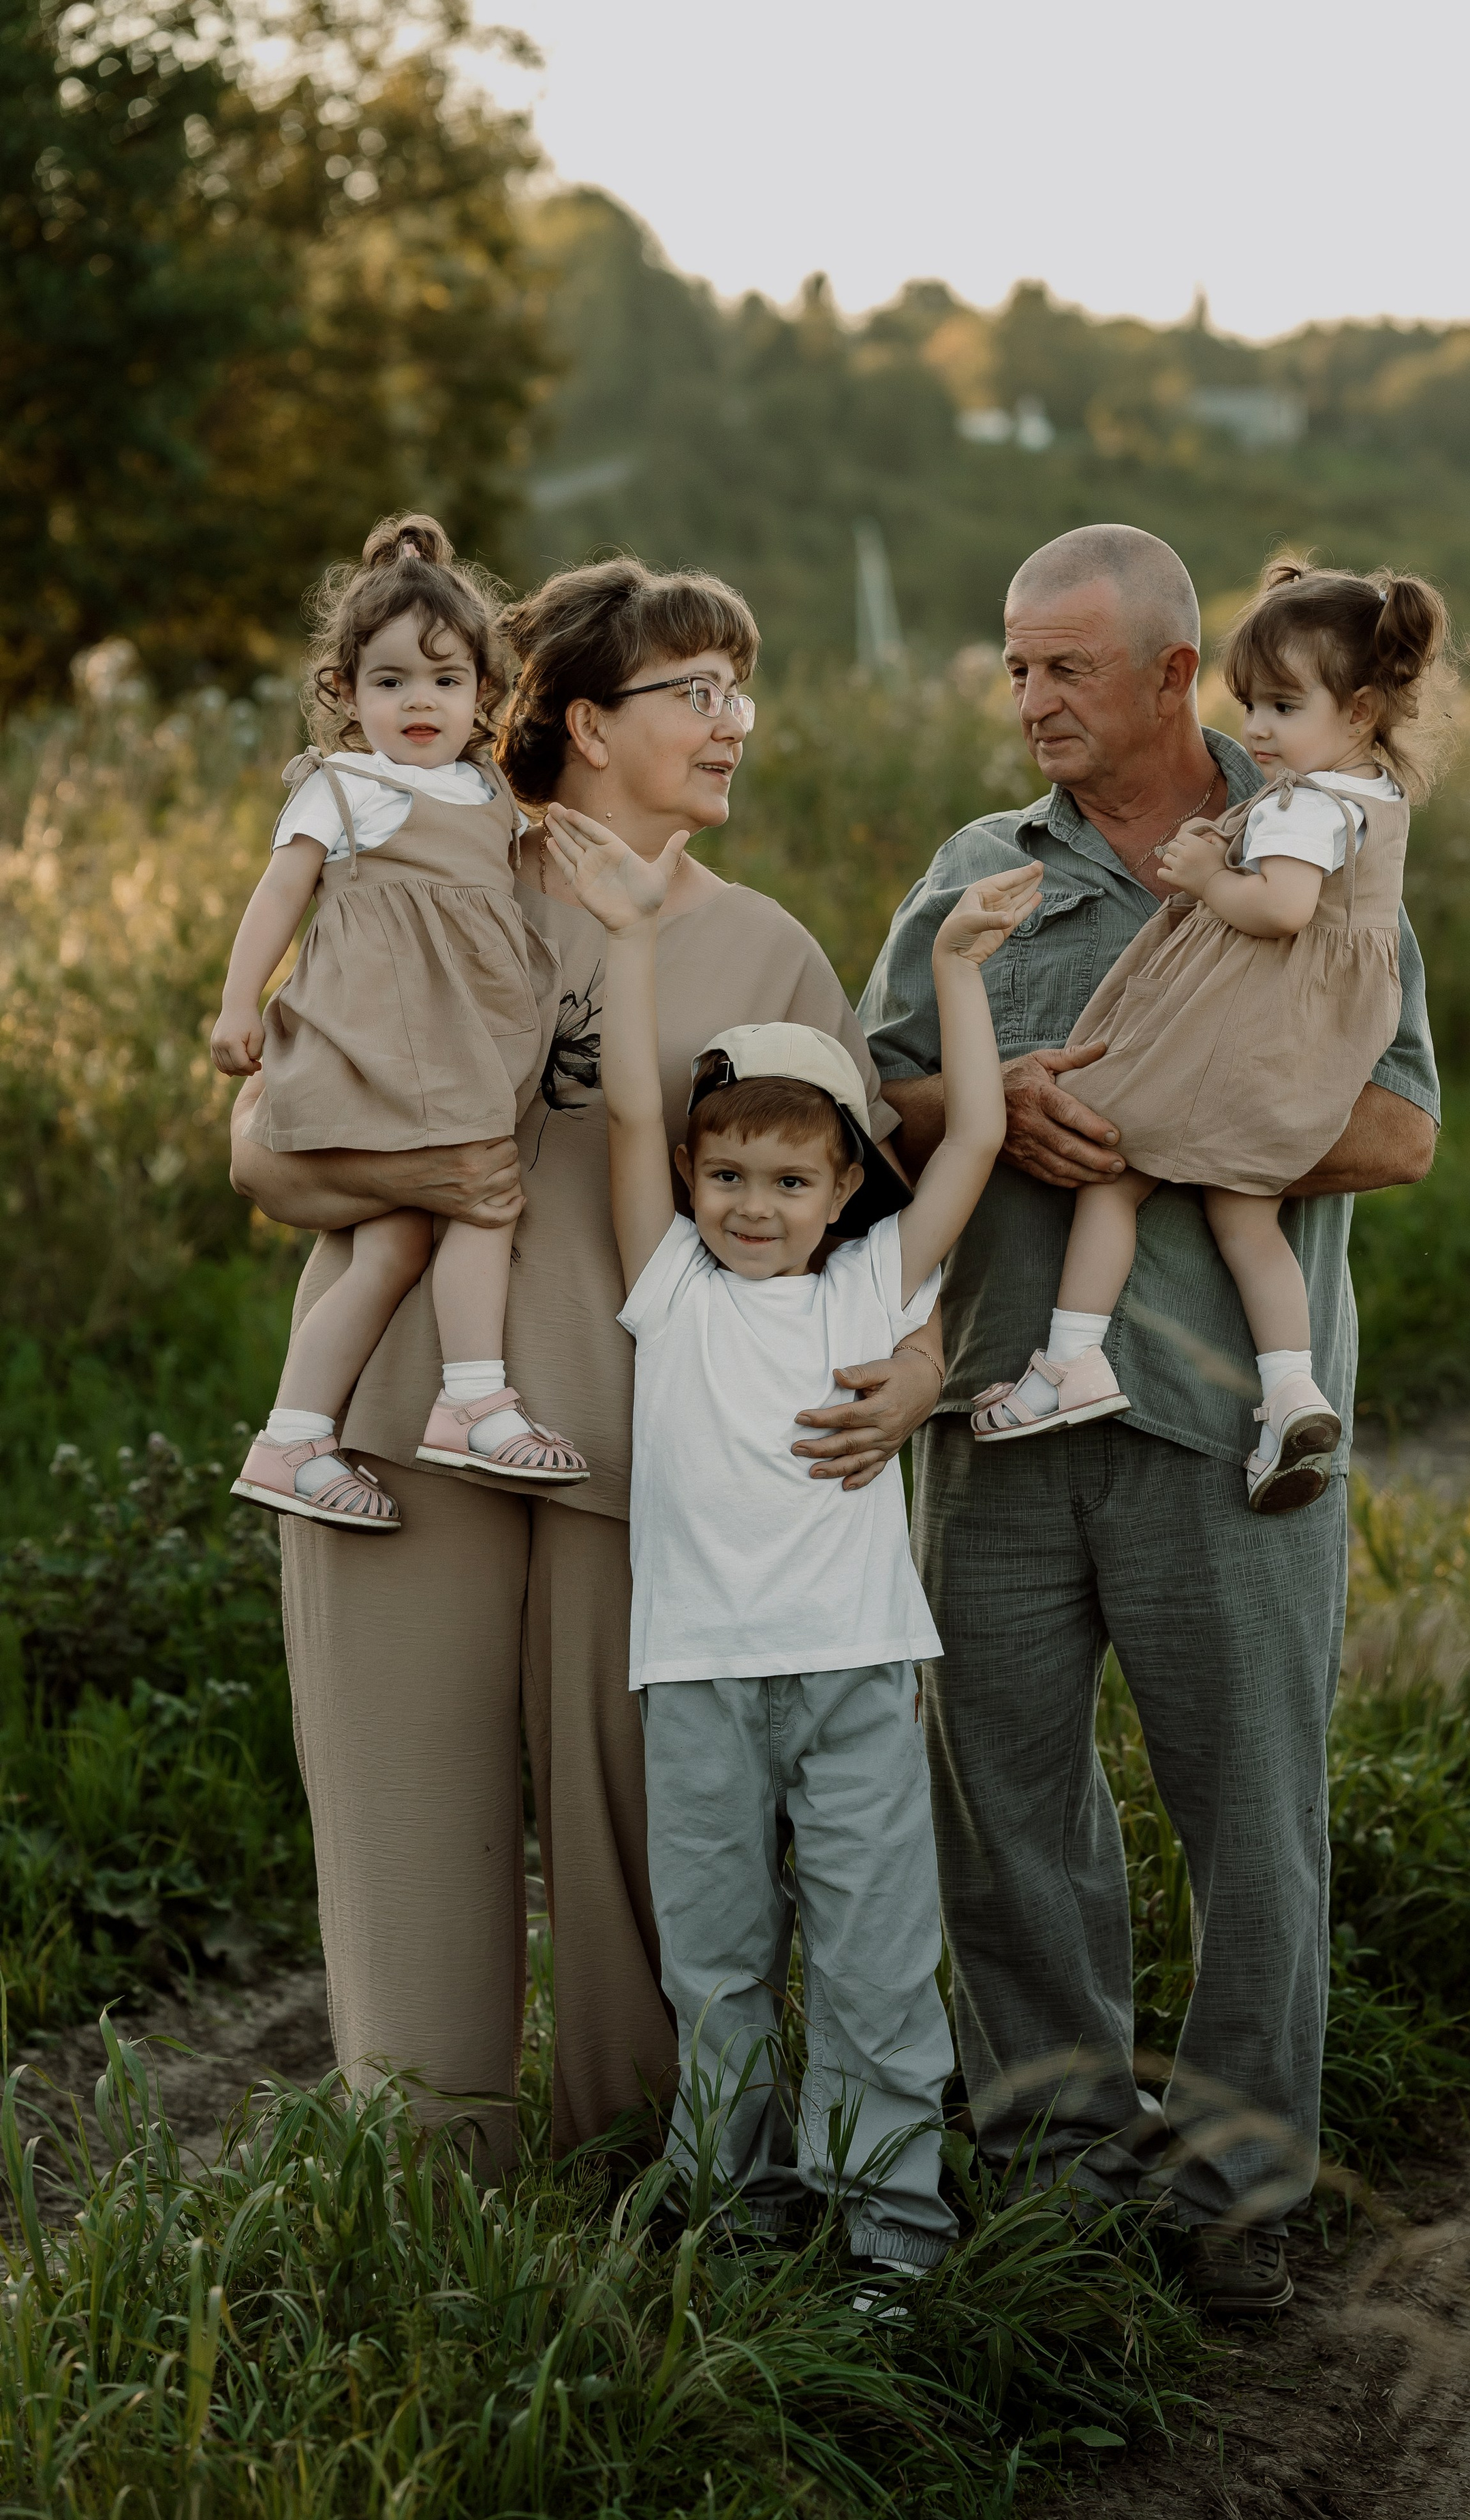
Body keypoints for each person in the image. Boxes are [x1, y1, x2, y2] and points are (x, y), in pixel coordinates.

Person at [230, 554, 944, 2177]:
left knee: (655, 1875)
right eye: (692, 692)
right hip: (395, 1432)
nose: (731, 722)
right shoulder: (418, 856)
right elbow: (266, 1157)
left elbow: (863, 1228)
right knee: (409, 1855)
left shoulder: (765, 949)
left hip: (655, 1463)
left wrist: (921, 1365)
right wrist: (435, 1180)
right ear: (573, 720)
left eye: (735, 689)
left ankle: (653, 2210)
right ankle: (433, 2223)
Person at [857, 525, 1439, 2317]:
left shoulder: (1311, 840)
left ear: (1179, 677)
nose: (1027, 699)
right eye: (1014, 666)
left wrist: (1180, 1119)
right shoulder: (979, 868)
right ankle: (1057, 2174)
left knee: (1252, 1819)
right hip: (993, 1422)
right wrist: (991, 1104)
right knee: (1006, 1817)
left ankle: (1239, 2193)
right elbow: (882, 1096)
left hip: (1222, 1444)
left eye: (1063, 669)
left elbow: (1399, 1128)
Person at [549, 783, 1037, 2284]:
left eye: (785, 1179)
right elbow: (633, 1108)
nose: (749, 1203)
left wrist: (955, 972)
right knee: (717, 1972)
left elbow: (974, 1145)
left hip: (852, 1681)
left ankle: (888, 2237)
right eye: (725, 1176)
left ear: (839, 1193)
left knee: (878, 1964)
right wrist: (628, 937)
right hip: (696, 1682)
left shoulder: (871, 1288)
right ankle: (733, 2222)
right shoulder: (672, 1287)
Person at [969, 557, 1452, 1518]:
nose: (1259, 731)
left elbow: (1276, 912)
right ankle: (1290, 1392)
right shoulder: (1372, 797)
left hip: (1252, 1028)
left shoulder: (1307, 806)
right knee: (1246, 1215)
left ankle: (1071, 1360)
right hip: (1308, 1040)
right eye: (1252, 705)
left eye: (1281, 707)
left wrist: (1201, 875)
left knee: (1112, 1163)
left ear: (1358, 712)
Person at [216, 513, 584, 1529]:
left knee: (395, 1247)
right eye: (388, 682)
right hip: (384, 1044)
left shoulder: (484, 791)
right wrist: (235, 1003)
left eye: (443, 680)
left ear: (481, 696)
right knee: (483, 1198)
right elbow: (278, 896)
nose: (417, 702)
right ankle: (474, 1397)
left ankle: (293, 1437)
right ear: (345, 694)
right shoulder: (348, 789)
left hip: (455, 1044)